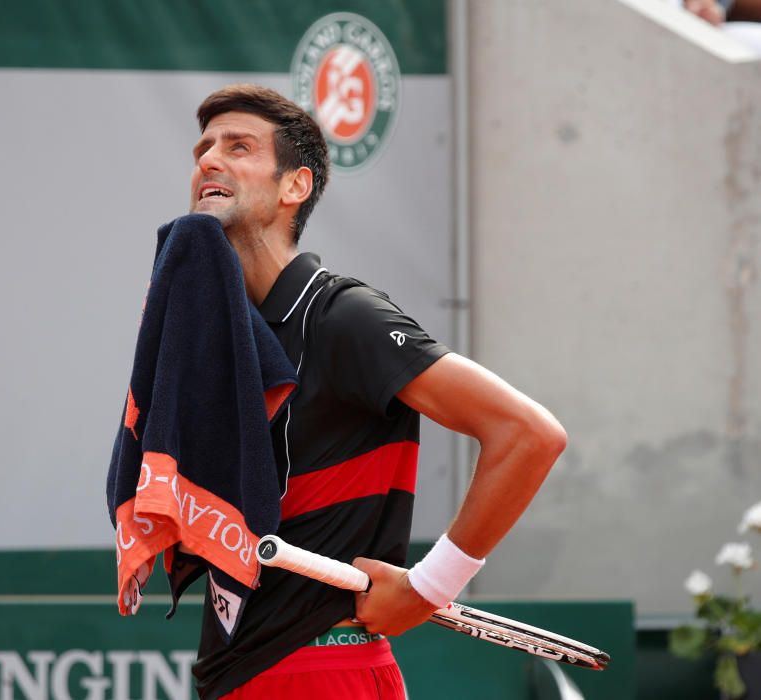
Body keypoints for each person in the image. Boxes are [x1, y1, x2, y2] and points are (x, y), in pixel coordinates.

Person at [184, 84, 567, 699]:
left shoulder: (341, 314)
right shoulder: (224, 333)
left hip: (322, 670)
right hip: (237, 673)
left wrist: (430, 587)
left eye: (238, 147)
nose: (207, 159)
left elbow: (528, 435)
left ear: (294, 187)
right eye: (203, 148)